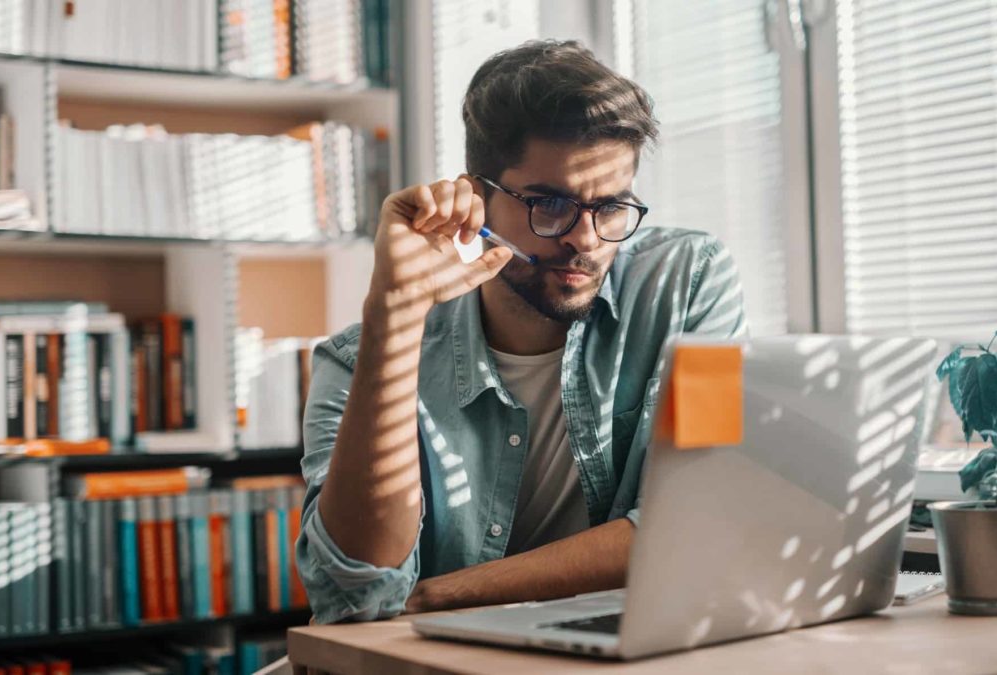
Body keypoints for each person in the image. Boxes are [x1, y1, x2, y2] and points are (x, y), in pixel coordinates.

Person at [297, 40, 747, 623]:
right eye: (549, 204)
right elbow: (353, 595)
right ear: (477, 198)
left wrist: (439, 594)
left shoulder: (686, 283)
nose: (584, 240)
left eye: (612, 206)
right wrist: (394, 315)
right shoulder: (356, 362)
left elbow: (696, 525)